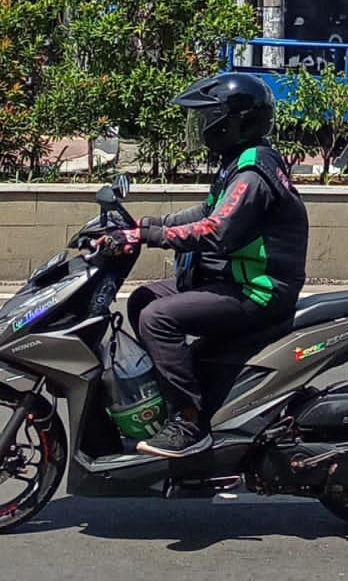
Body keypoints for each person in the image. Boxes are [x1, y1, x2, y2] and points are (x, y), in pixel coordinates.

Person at [97, 72, 309, 459]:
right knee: (143, 300)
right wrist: (143, 226)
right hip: (231, 280)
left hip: (259, 290)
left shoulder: (252, 172)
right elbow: (206, 211)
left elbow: (215, 230)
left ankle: (189, 423)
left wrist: (147, 237)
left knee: (157, 319)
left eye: (208, 117)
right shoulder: (240, 161)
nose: (202, 127)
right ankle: (182, 386)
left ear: (234, 121)